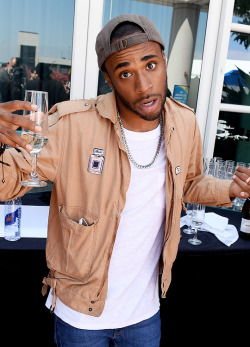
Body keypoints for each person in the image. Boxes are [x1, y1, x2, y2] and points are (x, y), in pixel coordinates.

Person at [0, 14, 250, 347]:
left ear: (164, 59)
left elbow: (188, 184)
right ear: (108, 78)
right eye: (126, 73)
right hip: (80, 317)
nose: (144, 86)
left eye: (150, 66)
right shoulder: (71, 124)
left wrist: (229, 189)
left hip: (144, 314)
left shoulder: (185, 122)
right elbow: (11, 178)